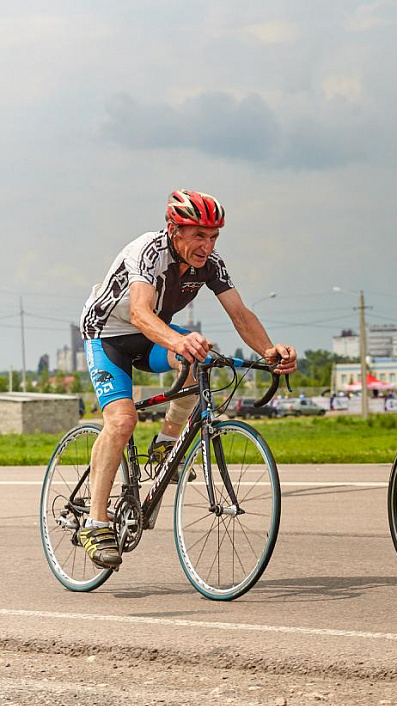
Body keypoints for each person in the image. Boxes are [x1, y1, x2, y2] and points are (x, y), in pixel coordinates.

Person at [78, 189, 297, 570]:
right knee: (122, 420)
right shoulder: (148, 252)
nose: (207, 245)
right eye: (199, 235)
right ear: (173, 229)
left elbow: (240, 314)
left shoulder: (211, 264)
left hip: (151, 333)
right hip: (108, 334)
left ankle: (166, 444)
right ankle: (96, 522)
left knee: (201, 358)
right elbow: (141, 313)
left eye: (213, 236)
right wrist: (179, 339)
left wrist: (269, 352)